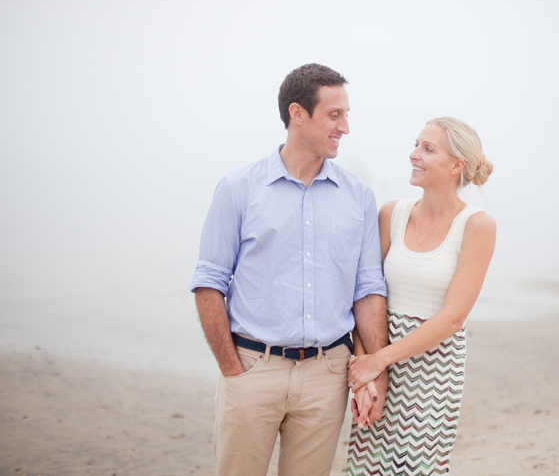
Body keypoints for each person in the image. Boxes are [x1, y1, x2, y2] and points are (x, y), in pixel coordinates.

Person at [190, 63, 389, 476]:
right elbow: (209, 283)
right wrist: (233, 370)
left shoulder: (359, 196)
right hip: (252, 369)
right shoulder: (238, 189)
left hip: (328, 374)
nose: (345, 127)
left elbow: (367, 288)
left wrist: (376, 368)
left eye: (347, 115)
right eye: (335, 115)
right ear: (298, 114)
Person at [345, 116, 497, 475]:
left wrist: (379, 361)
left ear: (456, 165)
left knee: (416, 469)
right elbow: (365, 294)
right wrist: (365, 370)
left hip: (434, 369)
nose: (414, 155)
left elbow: (453, 318)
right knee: (366, 467)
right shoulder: (391, 214)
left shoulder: (477, 225)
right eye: (416, 145)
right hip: (378, 347)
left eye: (428, 149)